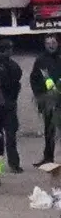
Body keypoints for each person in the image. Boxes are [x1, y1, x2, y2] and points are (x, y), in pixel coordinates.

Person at [0, 40, 24, 173]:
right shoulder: (8, 65)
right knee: (6, 136)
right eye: (10, 49)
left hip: (2, 105)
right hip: (3, 105)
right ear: (6, 50)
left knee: (1, 136)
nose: (11, 51)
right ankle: (12, 164)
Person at [32, 35, 61, 163]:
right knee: (49, 130)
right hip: (48, 100)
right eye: (48, 43)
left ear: (58, 44)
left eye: (53, 43)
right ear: (44, 45)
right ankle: (48, 157)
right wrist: (40, 97)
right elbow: (34, 79)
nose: (51, 45)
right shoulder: (40, 60)